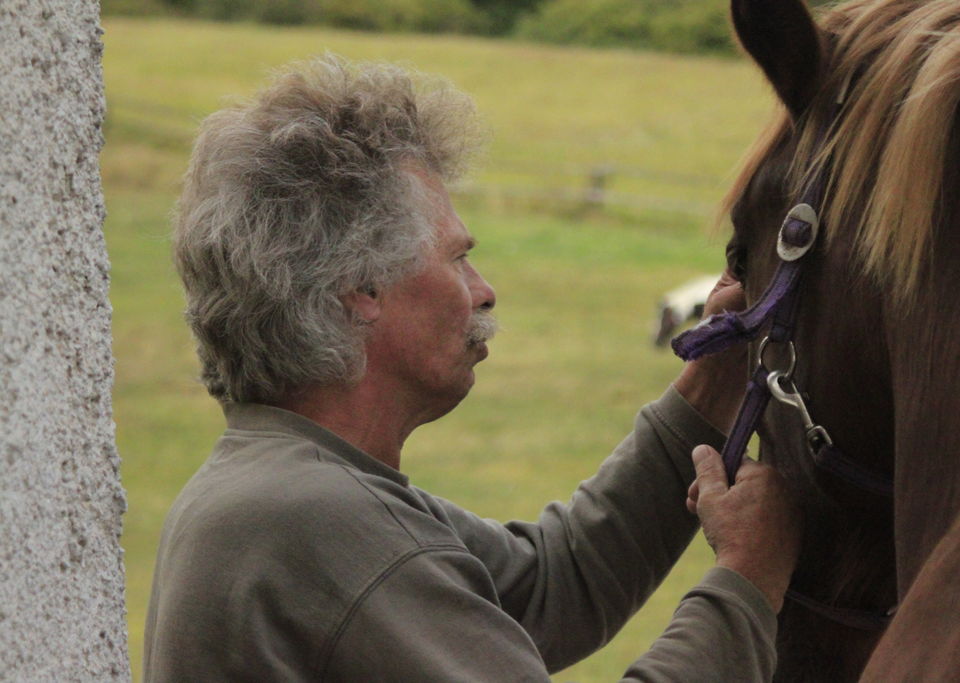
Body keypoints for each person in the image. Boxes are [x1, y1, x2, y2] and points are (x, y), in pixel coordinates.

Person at [144, 56, 801, 681]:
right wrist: (746, 579)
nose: (482, 290)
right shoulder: (316, 520)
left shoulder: (281, 489)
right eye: (457, 258)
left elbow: (553, 585)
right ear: (359, 288)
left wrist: (709, 385)